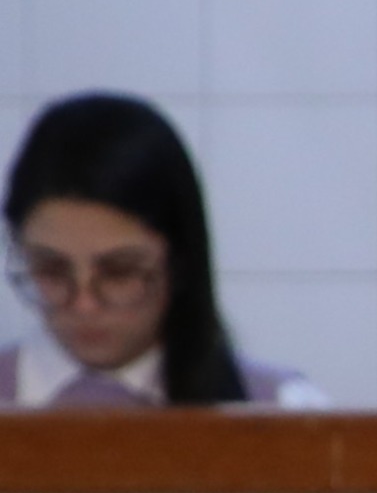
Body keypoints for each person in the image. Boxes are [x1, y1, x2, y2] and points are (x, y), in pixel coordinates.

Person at [6, 93, 323, 409]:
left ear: (179, 261)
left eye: (119, 272)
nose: (84, 306)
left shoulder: (279, 409)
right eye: (52, 270)